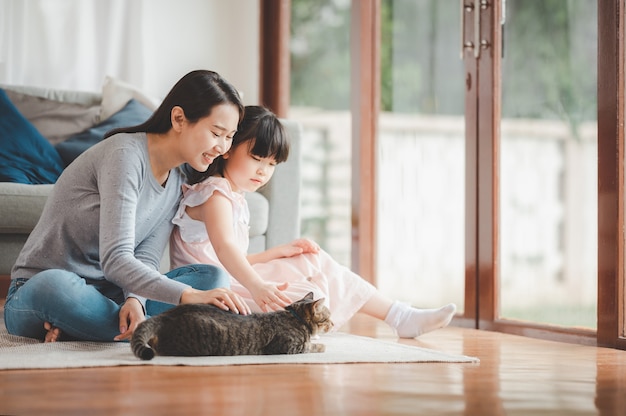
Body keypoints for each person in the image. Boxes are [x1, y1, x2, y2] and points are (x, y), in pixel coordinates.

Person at [4, 70, 252, 343]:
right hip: (41, 290)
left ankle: (90, 326)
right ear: (179, 118)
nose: (222, 147)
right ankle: (146, 327)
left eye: (229, 136)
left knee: (213, 278)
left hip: (110, 294)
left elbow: (145, 256)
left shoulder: (179, 178)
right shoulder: (126, 156)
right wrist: (187, 296)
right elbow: (116, 259)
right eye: (217, 133)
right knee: (55, 287)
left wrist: (135, 300)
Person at [169, 105, 457, 338]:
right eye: (257, 158)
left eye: (271, 164)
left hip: (233, 280)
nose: (263, 172)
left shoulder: (234, 197)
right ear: (228, 148)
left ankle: (400, 315)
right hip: (214, 293)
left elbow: (231, 256)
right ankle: (288, 330)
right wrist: (258, 286)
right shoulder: (214, 193)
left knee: (313, 261)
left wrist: (277, 253)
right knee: (311, 296)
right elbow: (225, 252)